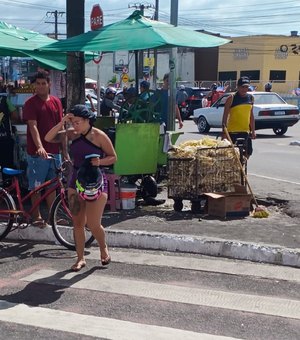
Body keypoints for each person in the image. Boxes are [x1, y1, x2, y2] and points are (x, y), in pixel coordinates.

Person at [45, 104, 117, 271]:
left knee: (93, 224)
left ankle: (103, 247)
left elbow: (113, 157)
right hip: (75, 180)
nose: (75, 125)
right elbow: (48, 138)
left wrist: (100, 162)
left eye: (78, 122)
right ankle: (80, 258)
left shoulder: (99, 136)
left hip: (95, 181)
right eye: (73, 122)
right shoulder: (71, 134)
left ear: (87, 121)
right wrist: (62, 122)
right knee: (77, 222)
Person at [23, 71, 69, 228]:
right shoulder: (30, 103)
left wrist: (65, 151)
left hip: (55, 152)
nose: (41, 86)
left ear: (49, 84)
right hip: (37, 153)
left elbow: (61, 128)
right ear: (34, 85)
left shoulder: (56, 102)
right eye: (38, 83)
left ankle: (52, 216)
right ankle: (36, 216)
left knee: (52, 186)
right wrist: (40, 147)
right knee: (36, 186)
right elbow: (33, 126)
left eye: (44, 83)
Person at [222, 76, 256, 158]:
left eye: (246, 87)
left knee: (248, 152)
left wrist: (253, 131)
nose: (244, 89)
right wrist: (224, 132)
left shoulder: (251, 98)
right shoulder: (231, 98)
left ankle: (242, 167)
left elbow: (251, 115)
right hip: (232, 132)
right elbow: (225, 116)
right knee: (232, 155)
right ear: (238, 87)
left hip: (245, 131)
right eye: (242, 87)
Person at [0, 92, 18, 186]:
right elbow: (15, 116)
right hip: (5, 139)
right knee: (7, 166)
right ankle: (7, 191)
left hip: (5, 140)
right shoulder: (4, 99)